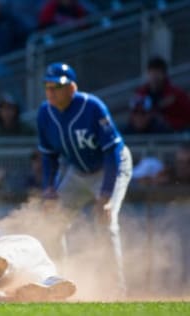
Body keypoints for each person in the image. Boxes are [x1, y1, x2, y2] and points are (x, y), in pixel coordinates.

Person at [36, 62, 132, 299]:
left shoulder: (91, 106)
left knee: (105, 220)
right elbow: (49, 156)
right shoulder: (44, 113)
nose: (51, 92)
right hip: (77, 173)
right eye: (47, 87)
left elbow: (112, 150)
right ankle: (57, 283)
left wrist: (107, 194)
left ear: (72, 88)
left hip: (111, 167)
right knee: (53, 221)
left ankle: (117, 291)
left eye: (56, 87)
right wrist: (49, 189)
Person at [133, 56, 190, 132]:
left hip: (171, 133)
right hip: (144, 132)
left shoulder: (176, 94)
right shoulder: (141, 93)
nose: (154, 76)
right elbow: (133, 115)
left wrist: (167, 120)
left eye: (157, 72)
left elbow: (186, 116)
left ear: (164, 74)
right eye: (152, 72)